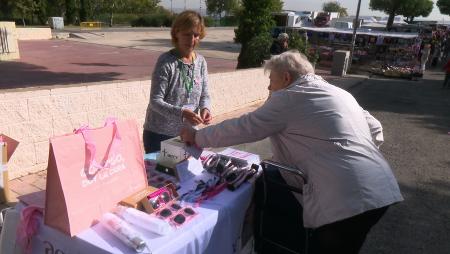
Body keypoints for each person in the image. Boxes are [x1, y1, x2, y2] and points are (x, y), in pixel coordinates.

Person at [181, 51, 403, 254]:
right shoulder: (338, 93)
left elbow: (246, 126)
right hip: (380, 189)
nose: (269, 88)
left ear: (286, 78)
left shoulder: (289, 97)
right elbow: (375, 128)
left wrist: (197, 137)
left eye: (271, 81)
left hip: (344, 199)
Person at [143, 10, 212, 153]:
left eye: (196, 35)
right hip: (159, 136)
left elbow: (204, 95)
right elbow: (155, 101)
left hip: (188, 133)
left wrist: (205, 109)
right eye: (187, 34)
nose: (192, 39)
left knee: (188, 175)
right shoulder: (166, 62)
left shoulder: (201, 62)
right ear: (176, 33)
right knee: (162, 175)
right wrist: (182, 113)